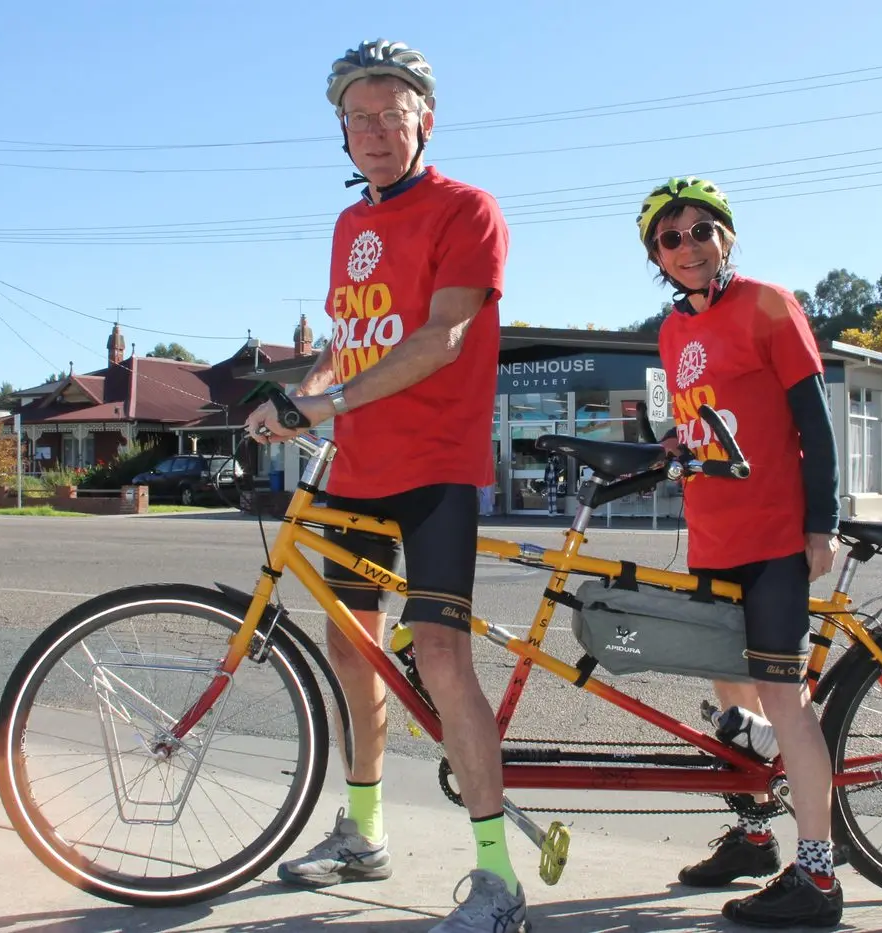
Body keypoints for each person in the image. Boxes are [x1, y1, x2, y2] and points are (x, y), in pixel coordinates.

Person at [245, 39, 525, 932]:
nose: (372, 129)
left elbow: (441, 337)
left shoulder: (466, 209)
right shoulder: (348, 226)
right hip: (354, 473)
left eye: (389, 113)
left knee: (441, 659)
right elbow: (347, 343)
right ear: (341, 130)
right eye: (356, 116)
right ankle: (362, 828)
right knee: (351, 650)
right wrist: (300, 399)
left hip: (434, 468)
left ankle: (494, 876)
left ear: (423, 121)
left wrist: (325, 406)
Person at [637, 177, 844, 928]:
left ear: (726, 235)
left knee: (783, 700)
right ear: (655, 255)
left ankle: (818, 876)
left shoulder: (766, 304)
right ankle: (755, 836)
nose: (687, 246)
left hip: (772, 535)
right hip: (712, 535)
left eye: (700, 230)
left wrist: (820, 523)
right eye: (670, 237)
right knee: (730, 699)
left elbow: (814, 425)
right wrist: (667, 444)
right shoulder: (670, 330)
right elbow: (699, 424)